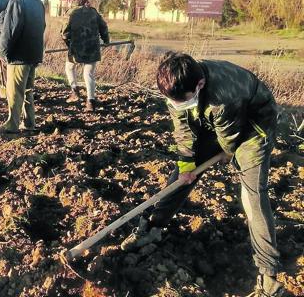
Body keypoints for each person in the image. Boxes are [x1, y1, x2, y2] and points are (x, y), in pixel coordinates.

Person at [120, 53, 283, 297]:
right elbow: (183, 128)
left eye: (181, 100)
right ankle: (153, 227)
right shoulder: (176, 86)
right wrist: (186, 165)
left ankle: (268, 274)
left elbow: (228, 142)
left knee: (253, 193)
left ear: (200, 85)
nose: (176, 104)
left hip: (253, 124)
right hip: (215, 120)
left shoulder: (224, 96)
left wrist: (230, 154)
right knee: (182, 175)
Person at [0, 0, 45, 133]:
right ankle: (30, 123)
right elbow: (42, 26)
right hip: (34, 53)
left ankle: (12, 124)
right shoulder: (37, 0)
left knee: (14, 91)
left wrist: (3, 52)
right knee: (28, 89)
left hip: (19, 56)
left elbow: (10, 30)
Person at [61, 0, 110, 112]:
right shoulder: (93, 12)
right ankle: (90, 102)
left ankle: (75, 93)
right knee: (88, 74)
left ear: (74, 0)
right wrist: (106, 41)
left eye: (70, 0)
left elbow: (64, 33)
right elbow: (103, 27)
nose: (69, 2)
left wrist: (69, 44)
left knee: (69, 67)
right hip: (93, 48)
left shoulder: (71, 13)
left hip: (76, 48)